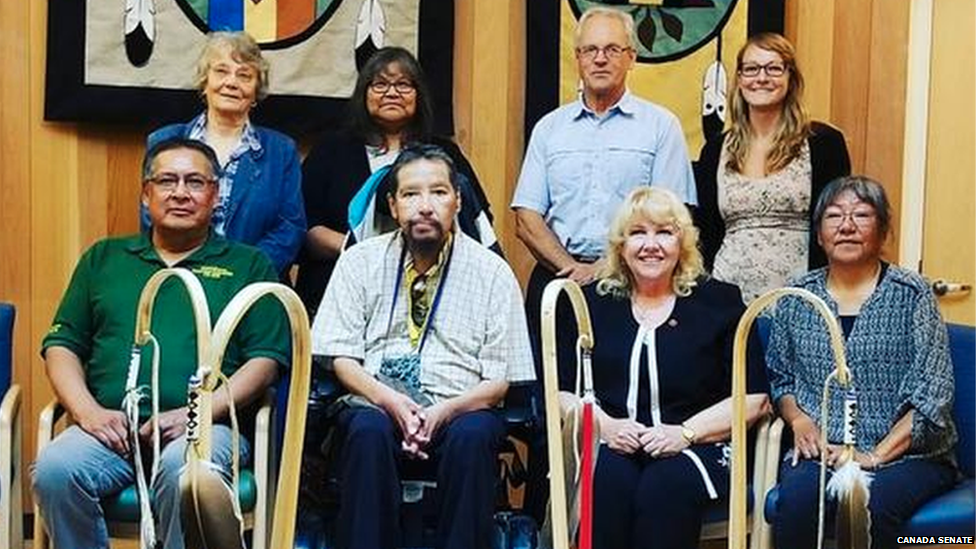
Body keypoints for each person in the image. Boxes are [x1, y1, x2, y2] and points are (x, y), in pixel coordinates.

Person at [33, 138, 290, 549]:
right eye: (167, 180)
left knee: (183, 472)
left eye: (195, 182)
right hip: (111, 428)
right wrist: (89, 413)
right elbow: (62, 346)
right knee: (55, 468)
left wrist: (195, 412)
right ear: (145, 193)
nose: (181, 192)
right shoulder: (104, 258)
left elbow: (265, 363)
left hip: (208, 426)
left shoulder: (249, 264)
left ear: (215, 193)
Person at [311, 145, 534, 549]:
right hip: (375, 402)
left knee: (473, 435)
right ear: (393, 206)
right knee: (366, 430)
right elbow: (341, 356)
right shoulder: (358, 262)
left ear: (458, 201)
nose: (425, 206)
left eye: (439, 192)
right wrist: (390, 401)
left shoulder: (493, 272)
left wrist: (443, 411)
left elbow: (499, 382)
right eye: (411, 194)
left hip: (461, 406)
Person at [555, 187, 769, 549]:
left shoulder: (720, 302)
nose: (650, 245)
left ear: (682, 243)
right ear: (621, 245)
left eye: (664, 232)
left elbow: (755, 399)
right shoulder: (589, 305)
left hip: (700, 444)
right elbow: (560, 392)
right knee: (606, 479)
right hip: (612, 443)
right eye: (638, 233)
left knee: (664, 485)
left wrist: (684, 433)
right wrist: (605, 427)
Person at [766, 176, 957, 549]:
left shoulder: (913, 294)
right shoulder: (797, 297)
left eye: (862, 215)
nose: (847, 226)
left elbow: (934, 394)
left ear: (884, 230)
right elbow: (781, 377)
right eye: (834, 216)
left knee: (876, 502)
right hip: (825, 451)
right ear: (819, 235)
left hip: (910, 456)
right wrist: (799, 418)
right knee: (796, 502)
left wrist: (875, 456)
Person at [297, 46, 495, 318]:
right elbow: (306, 227)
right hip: (341, 290)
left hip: (435, 293)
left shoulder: (444, 154)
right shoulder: (331, 150)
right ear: (363, 94)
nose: (391, 93)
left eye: (403, 84)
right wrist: (365, 251)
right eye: (379, 84)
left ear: (419, 95)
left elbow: (476, 222)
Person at [695, 32, 851, 302]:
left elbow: (837, 224)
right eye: (751, 69)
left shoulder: (823, 143)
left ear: (790, 78)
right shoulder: (714, 151)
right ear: (740, 79)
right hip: (727, 297)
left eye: (774, 68)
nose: (762, 78)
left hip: (803, 297)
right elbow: (706, 233)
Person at [143, 31, 305, 277]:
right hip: (177, 281)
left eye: (244, 75)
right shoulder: (164, 141)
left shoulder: (281, 151)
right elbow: (151, 217)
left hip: (253, 287)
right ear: (204, 82)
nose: (231, 82)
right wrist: (190, 273)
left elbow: (290, 228)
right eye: (221, 71)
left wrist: (239, 272)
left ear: (256, 91)